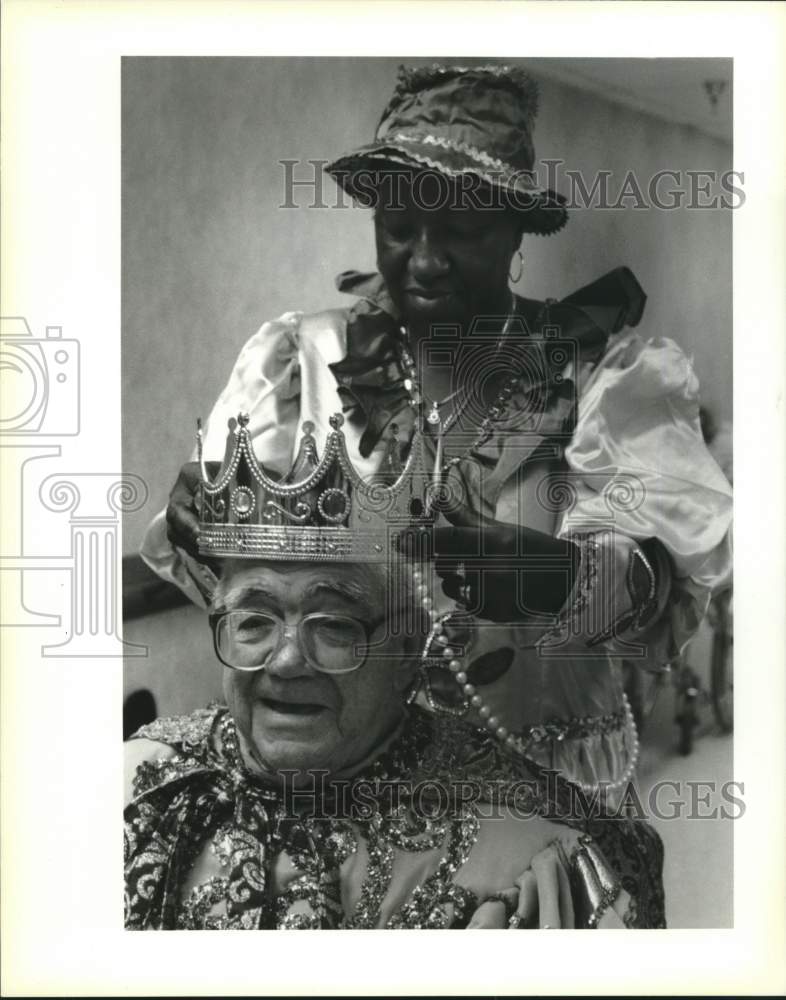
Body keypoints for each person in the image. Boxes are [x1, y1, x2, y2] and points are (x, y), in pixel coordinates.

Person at [143, 63, 733, 797]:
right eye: (398, 228)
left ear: (516, 228)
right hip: (358, 802)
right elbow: (241, 592)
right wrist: (200, 524)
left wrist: (559, 579)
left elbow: (664, 613)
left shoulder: (601, 377)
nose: (422, 260)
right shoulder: (303, 362)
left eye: (460, 231)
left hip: (549, 801)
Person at [125, 414, 666, 929]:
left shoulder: (535, 860)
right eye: (253, 621)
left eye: (334, 625)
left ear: (408, 649)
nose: (287, 661)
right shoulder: (138, 782)